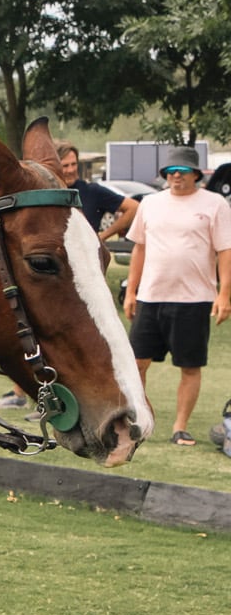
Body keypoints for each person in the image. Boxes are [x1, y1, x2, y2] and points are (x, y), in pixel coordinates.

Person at [0, 141, 138, 410]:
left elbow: (133, 208)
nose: (70, 170)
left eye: (73, 165)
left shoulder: (90, 191)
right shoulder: (45, 195)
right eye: (65, 165)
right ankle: (26, 394)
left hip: (82, 275)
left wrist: (100, 237)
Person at [122, 145, 231, 446]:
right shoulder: (150, 203)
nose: (175, 176)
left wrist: (224, 295)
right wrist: (131, 291)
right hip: (151, 297)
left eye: (182, 171)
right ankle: (141, 420)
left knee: (189, 366)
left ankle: (179, 427)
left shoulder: (215, 204)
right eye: (170, 172)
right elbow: (139, 249)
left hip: (193, 300)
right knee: (136, 364)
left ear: (195, 174)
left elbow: (225, 251)